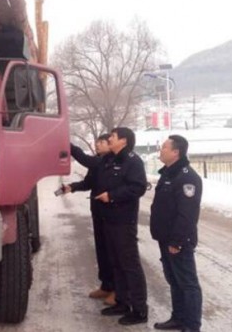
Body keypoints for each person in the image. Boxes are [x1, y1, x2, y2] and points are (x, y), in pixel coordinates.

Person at [95, 127, 149, 326]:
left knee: (130, 264)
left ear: (124, 141)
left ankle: (139, 309)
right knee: (116, 262)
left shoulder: (132, 161)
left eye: (113, 136)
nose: (109, 138)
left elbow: (138, 187)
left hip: (123, 221)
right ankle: (122, 302)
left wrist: (112, 196)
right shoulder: (111, 160)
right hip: (108, 219)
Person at [150, 135, 203, 332]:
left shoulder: (187, 176)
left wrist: (177, 241)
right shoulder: (169, 174)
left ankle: (191, 325)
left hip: (178, 240)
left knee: (188, 283)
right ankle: (179, 318)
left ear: (175, 152)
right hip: (166, 237)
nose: (160, 150)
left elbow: (187, 214)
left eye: (164, 147)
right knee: (174, 280)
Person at [63, 134, 116, 306]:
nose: (98, 145)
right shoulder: (98, 162)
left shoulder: (109, 161)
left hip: (112, 213)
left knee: (112, 252)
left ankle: (117, 290)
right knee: (101, 250)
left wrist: (66, 143)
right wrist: (72, 187)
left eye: (102, 142)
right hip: (98, 211)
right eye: (97, 142)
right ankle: (106, 285)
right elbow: (89, 183)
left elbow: (84, 159)